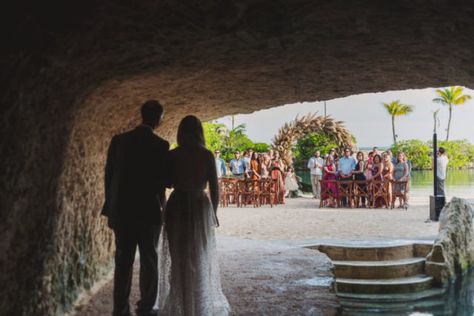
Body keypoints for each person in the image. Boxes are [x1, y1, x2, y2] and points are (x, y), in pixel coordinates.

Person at [102, 100, 169, 316]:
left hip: (123, 213)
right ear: (158, 118)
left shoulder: (119, 141)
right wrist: (163, 209)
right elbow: (162, 183)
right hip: (149, 212)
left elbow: (109, 178)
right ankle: (146, 307)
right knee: (150, 260)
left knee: (123, 261)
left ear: (142, 115)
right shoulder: (161, 145)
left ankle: (120, 309)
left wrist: (111, 209)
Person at [158, 115, 230, 315]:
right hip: (200, 206)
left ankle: (180, 304)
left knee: (178, 254)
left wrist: (163, 209)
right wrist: (213, 213)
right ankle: (198, 305)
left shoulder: (173, 155)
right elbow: (215, 189)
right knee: (199, 255)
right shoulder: (206, 155)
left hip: (178, 203)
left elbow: (165, 184)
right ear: (200, 131)